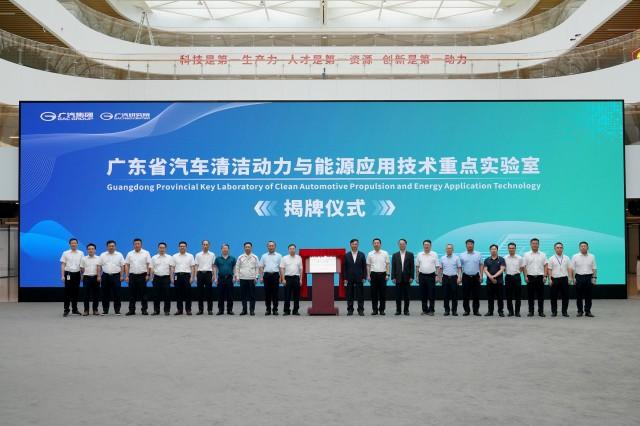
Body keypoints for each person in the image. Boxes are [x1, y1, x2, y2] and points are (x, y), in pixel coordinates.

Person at [124, 238, 152, 316]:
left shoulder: (146, 253)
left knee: (143, 294)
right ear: (133, 245)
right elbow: (127, 265)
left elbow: (149, 264)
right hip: (132, 276)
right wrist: (127, 276)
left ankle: (144, 310)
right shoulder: (130, 253)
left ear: (141, 245)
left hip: (142, 275)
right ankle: (131, 310)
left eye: (138, 244)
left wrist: (148, 274)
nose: (137, 245)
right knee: (132, 294)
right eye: (135, 244)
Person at [523, 238, 548, 317]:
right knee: (530, 296)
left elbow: (546, 265)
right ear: (530, 244)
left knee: (541, 296)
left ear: (538, 244)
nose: (535, 245)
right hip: (530, 277)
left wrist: (545, 276)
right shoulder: (526, 254)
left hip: (540, 277)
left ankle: (541, 312)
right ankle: (531, 311)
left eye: (536, 243)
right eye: (533, 243)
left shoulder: (543, 254)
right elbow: (524, 266)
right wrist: (525, 276)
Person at [547, 242, 573, 317]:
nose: (559, 249)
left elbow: (569, 268)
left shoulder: (567, 258)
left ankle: (564, 312)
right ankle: (554, 312)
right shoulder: (551, 258)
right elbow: (549, 269)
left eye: (561, 248)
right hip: (554, 279)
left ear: (563, 249)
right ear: (555, 249)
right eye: (557, 248)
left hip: (564, 279)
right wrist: (549, 279)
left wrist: (570, 278)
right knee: (553, 297)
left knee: (565, 296)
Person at [571, 241, 597, 317]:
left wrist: (594, 277)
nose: (583, 247)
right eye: (581, 246)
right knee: (579, 296)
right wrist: (573, 278)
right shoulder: (575, 256)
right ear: (579, 248)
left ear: (587, 247)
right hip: (579, 277)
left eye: (584, 246)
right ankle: (580, 311)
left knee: (588, 296)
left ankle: (588, 311)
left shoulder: (592, 256)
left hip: (589, 277)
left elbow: (594, 268)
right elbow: (572, 268)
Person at [99, 240, 125, 315]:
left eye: (113, 246)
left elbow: (122, 266)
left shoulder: (119, 255)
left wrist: (121, 276)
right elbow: (99, 266)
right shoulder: (102, 255)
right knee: (105, 294)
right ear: (107, 247)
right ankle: (105, 310)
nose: (111, 247)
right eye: (110, 246)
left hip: (116, 276)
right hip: (105, 276)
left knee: (117, 294)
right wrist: (99, 275)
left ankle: (117, 310)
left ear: (115, 247)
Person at [459, 239, 483, 316]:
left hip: (476, 276)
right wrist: (459, 276)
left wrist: (481, 275)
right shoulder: (462, 255)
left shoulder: (478, 254)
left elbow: (481, 265)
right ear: (466, 245)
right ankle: (466, 310)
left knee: (476, 295)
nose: (470, 245)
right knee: (465, 295)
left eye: (471, 244)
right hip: (466, 276)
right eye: (468, 244)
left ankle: (476, 311)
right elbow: (460, 267)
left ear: (473, 245)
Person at [343, 238, 367, 316]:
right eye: (353, 244)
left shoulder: (362, 254)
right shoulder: (346, 255)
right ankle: (350, 310)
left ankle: (361, 310)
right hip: (349, 277)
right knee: (350, 295)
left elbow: (364, 267)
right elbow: (344, 268)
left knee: (360, 295)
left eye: (356, 244)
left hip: (359, 277)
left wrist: (364, 277)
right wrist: (345, 278)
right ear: (350, 245)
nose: (354, 245)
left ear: (358, 245)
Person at [60, 238, 84, 317]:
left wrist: (82, 275)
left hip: (77, 274)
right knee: (67, 292)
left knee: (75, 292)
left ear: (77, 244)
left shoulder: (81, 253)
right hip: (68, 274)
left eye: (75, 243)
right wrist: (62, 275)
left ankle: (75, 309)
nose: (73, 244)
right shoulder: (65, 253)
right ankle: (66, 310)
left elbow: (82, 265)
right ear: (69, 244)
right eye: (72, 243)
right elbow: (63, 264)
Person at [235, 242, 260, 316]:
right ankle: (244, 310)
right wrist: (237, 277)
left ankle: (252, 310)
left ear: (251, 248)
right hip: (242, 278)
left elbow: (257, 268)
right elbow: (237, 267)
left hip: (252, 279)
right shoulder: (240, 257)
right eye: (246, 247)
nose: (247, 248)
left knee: (252, 296)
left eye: (249, 247)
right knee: (243, 295)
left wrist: (256, 277)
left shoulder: (255, 257)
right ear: (244, 248)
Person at [415, 239, 439, 316]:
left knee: (431, 294)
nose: (426, 246)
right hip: (422, 276)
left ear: (430, 246)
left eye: (428, 245)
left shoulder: (434, 254)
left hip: (431, 276)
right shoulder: (419, 254)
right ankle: (424, 310)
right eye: (425, 245)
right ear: (423, 246)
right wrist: (417, 276)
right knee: (423, 294)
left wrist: (437, 276)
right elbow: (417, 266)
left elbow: (437, 266)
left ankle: (431, 310)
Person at [367, 238, 390, 315]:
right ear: (373, 244)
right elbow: (368, 265)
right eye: (375, 243)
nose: (376, 244)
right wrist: (368, 275)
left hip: (383, 274)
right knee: (374, 293)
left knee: (383, 294)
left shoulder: (385, 253)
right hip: (373, 275)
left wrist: (387, 274)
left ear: (380, 244)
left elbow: (387, 264)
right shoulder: (370, 253)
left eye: (378, 243)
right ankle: (375, 310)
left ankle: (382, 310)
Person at [150, 242, 174, 316]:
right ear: (158, 248)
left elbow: (171, 268)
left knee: (167, 295)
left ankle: (167, 310)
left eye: (163, 248)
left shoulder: (169, 257)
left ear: (166, 248)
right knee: (156, 295)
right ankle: (156, 310)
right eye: (160, 248)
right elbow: (152, 268)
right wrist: (151, 278)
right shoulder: (154, 257)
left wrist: (171, 278)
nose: (162, 249)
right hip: (156, 277)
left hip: (166, 278)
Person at [391, 238, 414, 315]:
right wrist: (393, 277)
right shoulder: (395, 255)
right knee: (398, 296)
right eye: (400, 244)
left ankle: (406, 310)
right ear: (398, 245)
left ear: (406, 244)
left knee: (407, 296)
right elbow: (393, 267)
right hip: (398, 278)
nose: (402, 245)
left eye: (403, 244)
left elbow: (412, 267)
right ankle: (398, 310)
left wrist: (412, 277)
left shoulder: (410, 254)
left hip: (407, 278)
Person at [259, 241, 283, 316]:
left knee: (275, 294)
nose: (271, 247)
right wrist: (261, 277)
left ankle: (275, 309)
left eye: (272, 246)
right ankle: (268, 309)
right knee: (267, 294)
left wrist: (281, 277)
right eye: (269, 246)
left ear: (275, 247)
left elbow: (281, 267)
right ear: (267, 247)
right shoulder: (264, 256)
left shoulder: (279, 256)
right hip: (266, 276)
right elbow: (261, 267)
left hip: (275, 275)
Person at [172, 241, 195, 316]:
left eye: (184, 246)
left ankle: (188, 310)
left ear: (186, 247)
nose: (182, 247)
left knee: (188, 294)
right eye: (181, 246)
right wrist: (172, 277)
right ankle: (179, 310)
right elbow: (172, 267)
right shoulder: (174, 256)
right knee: (178, 294)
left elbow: (192, 267)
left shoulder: (190, 256)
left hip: (186, 276)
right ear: (178, 247)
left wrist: (192, 277)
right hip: (177, 276)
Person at [438, 244, 461, 316]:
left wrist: (459, 277)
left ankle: (454, 311)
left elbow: (459, 268)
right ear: (446, 250)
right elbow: (440, 269)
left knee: (455, 295)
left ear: (453, 250)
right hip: (445, 278)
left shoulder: (456, 258)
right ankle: (446, 310)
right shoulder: (442, 258)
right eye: (447, 248)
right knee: (445, 295)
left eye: (450, 248)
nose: (449, 250)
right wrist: (439, 278)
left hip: (454, 278)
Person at [280, 244, 303, 316]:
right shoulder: (284, 258)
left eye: (293, 248)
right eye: (290, 249)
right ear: (288, 250)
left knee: (296, 295)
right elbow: (282, 269)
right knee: (287, 295)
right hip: (287, 278)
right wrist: (283, 279)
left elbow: (301, 269)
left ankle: (295, 310)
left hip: (296, 278)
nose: (292, 250)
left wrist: (300, 279)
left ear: (295, 249)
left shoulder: (299, 258)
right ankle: (286, 310)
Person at [483, 244, 506, 317]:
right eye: (492, 249)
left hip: (499, 282)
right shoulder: (486, 260)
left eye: (495, 249)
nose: (493, 250)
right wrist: (491, 277)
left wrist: (494, 276)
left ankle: (500, 311)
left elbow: (502, 269)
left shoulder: (501, 259)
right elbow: (485, 270)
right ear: (490, 250)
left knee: (500, 298)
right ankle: (490, 311)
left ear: (497, 250)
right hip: (489, 282)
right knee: (490, 298)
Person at [195, 240, 216, 315]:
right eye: (204, 244)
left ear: (209, 245)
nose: (205, 246)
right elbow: (196, 265)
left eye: (207, 244)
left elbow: (213, 266)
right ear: (202, 245)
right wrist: (195, 276)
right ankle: (200, 310)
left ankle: (210, 310)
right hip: (200, 274)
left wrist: (214, 275)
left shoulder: (212, 254)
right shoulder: (198, 255)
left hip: (208, 274)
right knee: (199, 293)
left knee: (209, 293)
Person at [80, 243, 102, 316]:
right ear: (87, 250)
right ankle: (86, 310)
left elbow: (99, 268)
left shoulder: (99, 258)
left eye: (92, 249)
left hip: (96, 277)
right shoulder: (84, 258)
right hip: (86, 277)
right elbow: (82, 268)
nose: (91, 250)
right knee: (86, 295)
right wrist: (82, 275)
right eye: (89, 249)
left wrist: (99, 276)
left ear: (95, 250)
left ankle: (95, 310)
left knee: (96, 295)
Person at [214, 244, 236, 315]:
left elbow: (234, 268)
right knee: (220, 295)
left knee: (230, 295)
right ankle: (221, 310)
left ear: (228, 250)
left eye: (226, 248)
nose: (225, 250)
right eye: (223, 248)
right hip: (221, 278)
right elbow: (215, 268)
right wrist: (215, 278)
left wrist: (234, 277)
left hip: (229, 278)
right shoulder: (218, 259)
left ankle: (230, 310)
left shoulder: (232, 258)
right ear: (221, 250)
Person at [504, 242, 524, 317]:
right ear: (508, 249)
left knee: (518, 296)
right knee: (508, 296)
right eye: (510, 248)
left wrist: (516, 273)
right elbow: (503, 268)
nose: (511, 249)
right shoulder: (505, 258)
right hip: (508, 277)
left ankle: (517, 312)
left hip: (517, 277)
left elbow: (522, 268)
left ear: (515, 249)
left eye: (513, 248)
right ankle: (510, 312)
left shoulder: (519, 258)